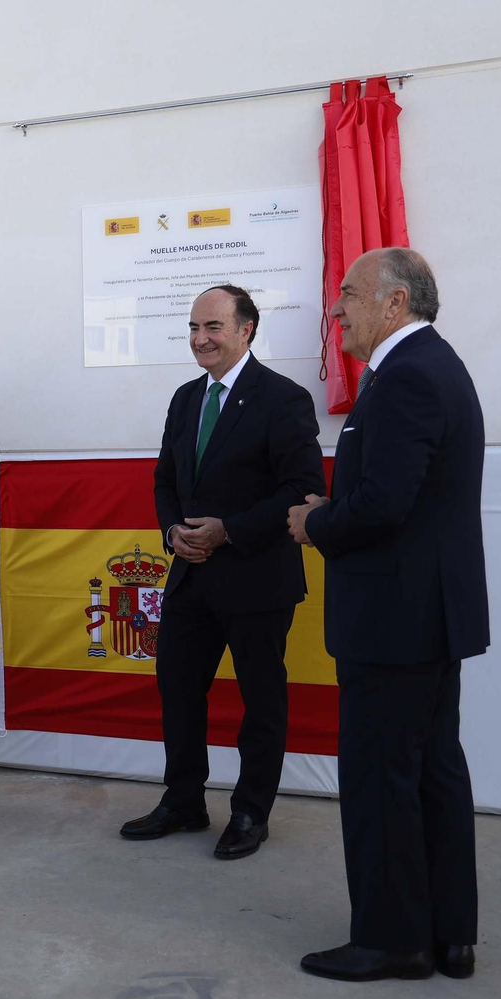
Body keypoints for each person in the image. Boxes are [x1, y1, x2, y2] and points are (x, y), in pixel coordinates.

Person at [291, 248, 486, 982]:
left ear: (394, 303)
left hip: (396, 618)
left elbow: (382, 505)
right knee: (432, 770)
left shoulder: (405, 377)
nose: (337, 310)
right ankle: (447, 934)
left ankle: (389, 939)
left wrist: (317, 523)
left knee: (381, 778)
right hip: (425, 615)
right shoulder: (431, 368)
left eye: (348, 295)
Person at [120, 285, 324, 858]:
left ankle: (251, 812)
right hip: (190, 577)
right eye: (193, 328)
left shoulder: (284, 399)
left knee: (262, 701)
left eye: (212, 327)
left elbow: (303, 488)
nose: (200, 339)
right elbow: (166, 479)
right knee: (178, 690)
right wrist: (172, 533)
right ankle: (183, 801)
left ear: (246, 330)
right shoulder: (186, 399)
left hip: (257, 580)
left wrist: (227, 530)